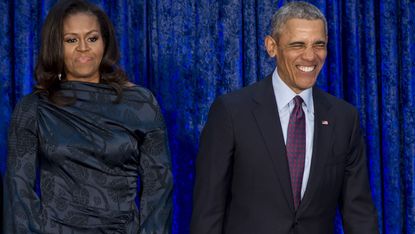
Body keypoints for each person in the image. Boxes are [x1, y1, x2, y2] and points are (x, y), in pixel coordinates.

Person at [191, 2, 379, 234]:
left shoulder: (344, 118)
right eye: (297, 45)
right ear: (272, 46)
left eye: (318, 44)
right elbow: (208, 210)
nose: (310, 56)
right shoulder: (231, 112)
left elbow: (358, 211)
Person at [3, 0, 173, 233]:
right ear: (55, 46)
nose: (83, 47)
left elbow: (159, 187)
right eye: (71, 40)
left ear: (105, 42)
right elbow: (18, 191)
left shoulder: (141, 103)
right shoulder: (33, 108)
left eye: (92, 38)